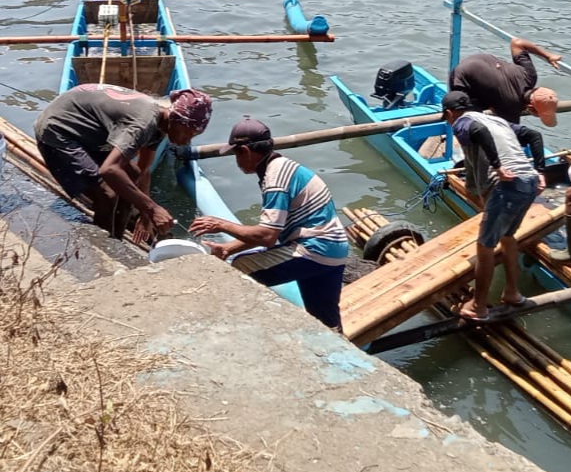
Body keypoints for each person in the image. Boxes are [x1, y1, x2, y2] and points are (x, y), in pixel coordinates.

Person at [189, 117, 349, 330]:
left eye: (236, 154)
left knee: (240, 267)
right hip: (334, 250)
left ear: (245, 151)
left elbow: (267, 237)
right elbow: (273, 231)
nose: (236, 161)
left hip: (314, 249)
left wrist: (221, 224)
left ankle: (236, 327)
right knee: (326, 321)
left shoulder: (275, 179)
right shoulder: (284, 167)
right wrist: (229, 247)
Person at [34, 84, 213, 239]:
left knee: (132, 175)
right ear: (175, 119)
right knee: (107, 194)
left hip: (90, 130)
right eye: (187, 133)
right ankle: (104, 247)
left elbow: (143, 172)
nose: (187, 141)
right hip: (58, 129)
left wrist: (145, 215)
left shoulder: (162, 125)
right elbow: (109, 170)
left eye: (194, 136)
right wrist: (152, 208)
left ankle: (116, 237)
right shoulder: (142, 124)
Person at [441, 91, 544, 321]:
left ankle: (478, 306)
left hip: (506, 186)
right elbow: (534, 135)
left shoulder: (462, 123)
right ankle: (512, 292)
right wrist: (541, 170)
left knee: (485, 246)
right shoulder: (497, 120)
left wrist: (497, 166)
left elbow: (478, 132)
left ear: (449, 114)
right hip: (528, 181)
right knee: (508, 237)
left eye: (447, 118)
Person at [449, 36, 562, 128]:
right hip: (461, 79)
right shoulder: (511, 106)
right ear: (530, 107)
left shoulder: (530, 75)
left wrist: (548, 55)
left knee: (493, 98)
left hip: (481, 59)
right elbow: (510, 133)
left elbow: (516, 42)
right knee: (474, 123)